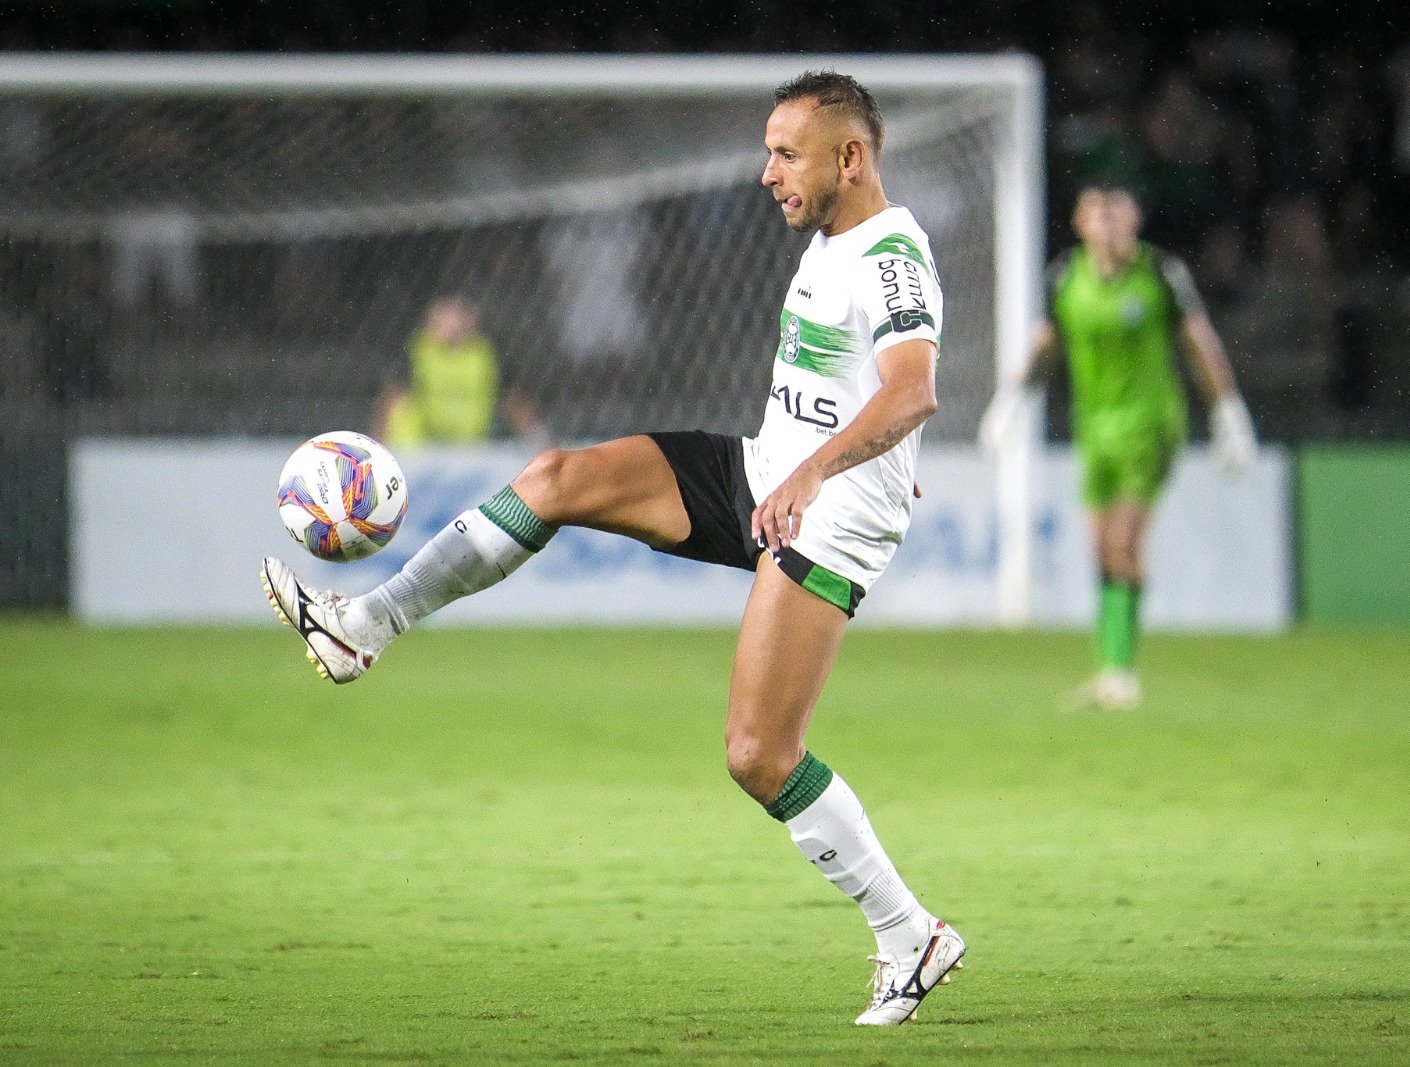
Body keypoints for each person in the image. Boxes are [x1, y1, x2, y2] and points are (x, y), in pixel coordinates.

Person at [262, 71, 964, 1026]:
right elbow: (864, 397)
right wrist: (832, 457)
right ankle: (365, 623)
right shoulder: (829, 239)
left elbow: (912, 390)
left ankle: (908, 932)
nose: (766, 173)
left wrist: (830, 471)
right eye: (768, 149)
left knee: (759, 754)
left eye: (786, 153)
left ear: (851, 157)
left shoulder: (888, 251)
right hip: (769, 474)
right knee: (558, 478)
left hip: (826, 514)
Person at [982, 184, 1255, 710]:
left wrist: (1228, 413)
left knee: (1126, 540)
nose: (1106, 224)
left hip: (1151, 424)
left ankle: (1121, 672)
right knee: (1102, 548)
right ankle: (1110, 669)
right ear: (1080, 222)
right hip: (1095, 430)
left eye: (1116, 213)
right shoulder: (1066, 277)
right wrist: (1010, 404)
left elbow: (1199, 341)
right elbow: (1044, 345)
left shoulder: (1159, 275)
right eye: (1095, 213)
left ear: (1135, 219)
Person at [375, 296, 546, 448]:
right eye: (446, 316)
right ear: (430, 320)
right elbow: (391, 398)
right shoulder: (415, 352)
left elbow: (513, 400)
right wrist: (378, 444)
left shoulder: (486, 355)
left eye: (459, 315)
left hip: (468, 449)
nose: (453, 324)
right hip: (418, 449)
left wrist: (539, 440)